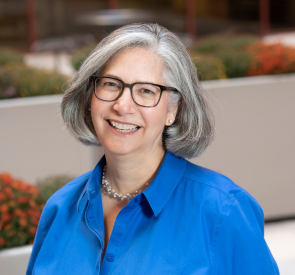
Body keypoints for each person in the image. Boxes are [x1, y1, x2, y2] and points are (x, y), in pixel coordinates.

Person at [26, 23, 279, 275]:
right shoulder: (59, 208)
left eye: (146, 90)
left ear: (173, 110)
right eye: (111, 84)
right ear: (89, 95)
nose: (123, 105)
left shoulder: (223, 211)